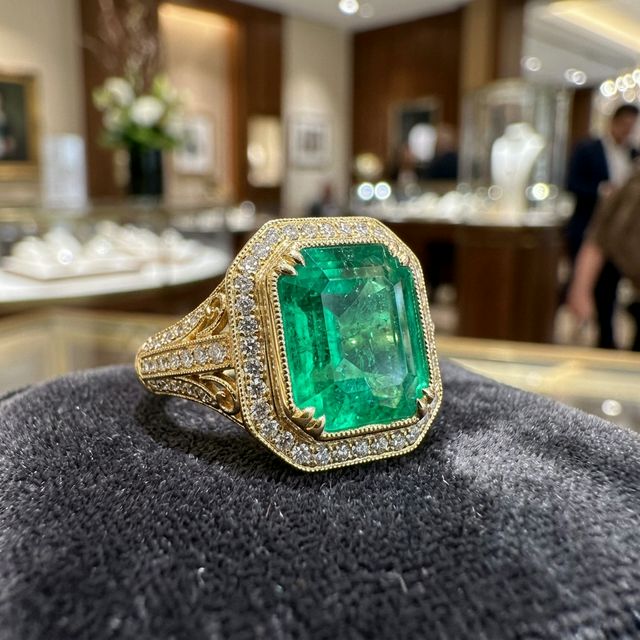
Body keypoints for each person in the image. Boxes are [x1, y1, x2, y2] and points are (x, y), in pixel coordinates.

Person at [566, 103, 639, 348]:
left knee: (611, 288)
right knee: (601, 292)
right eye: (624, 124)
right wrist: (600, 191)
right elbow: (572, 184)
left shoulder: (633, 154)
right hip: (590, 224)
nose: (627, 130)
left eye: (632, 126)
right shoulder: (588, 149)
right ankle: (604, 338)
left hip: (621, 242)